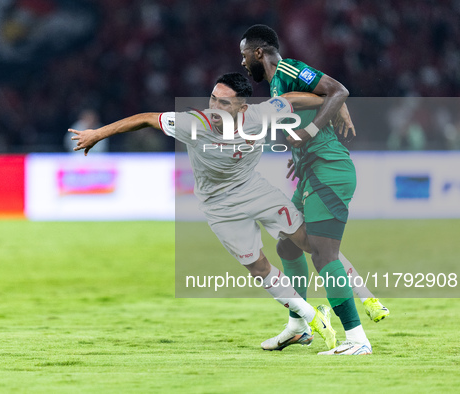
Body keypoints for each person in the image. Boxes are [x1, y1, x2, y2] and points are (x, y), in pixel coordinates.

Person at [71, 73, 340, 352]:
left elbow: (288, 100)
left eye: (224, 103)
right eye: (212, 98)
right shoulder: (194, 123)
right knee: (258, 267)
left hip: (253, 188)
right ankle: (309, 319)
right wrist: (98, 134)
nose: (214, 107)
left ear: (241, 108)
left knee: (311, 241)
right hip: (220, 206)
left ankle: (359, 306)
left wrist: (331, 101)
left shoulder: (259, 115)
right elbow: (146, 118)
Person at [240, 24, 388, 355]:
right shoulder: (278, 84)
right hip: (310, 171)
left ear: (259, 52)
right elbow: (323, 98)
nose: (243, 62)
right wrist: (300, 153)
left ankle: (357, 339)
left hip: (329, 171)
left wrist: (307, 134)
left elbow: (338, 91)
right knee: (288, 247)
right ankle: (298, 326)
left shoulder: (288, 69)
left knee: (323, 255)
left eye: (244, 54)